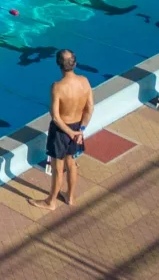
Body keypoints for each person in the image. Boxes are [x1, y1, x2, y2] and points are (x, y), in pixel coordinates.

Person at [29, 49, 94, 210]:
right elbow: (90, 108)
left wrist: (70, 133)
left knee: (58, 168)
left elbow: (56, 117)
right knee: (71, 162)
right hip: (77, 128)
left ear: (59, 65)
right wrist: (80, 130)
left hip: (61, 131)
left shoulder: (57, 87)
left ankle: (51, 202)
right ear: (75, 63)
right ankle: (70, 197)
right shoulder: (84, 81)